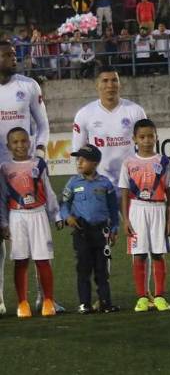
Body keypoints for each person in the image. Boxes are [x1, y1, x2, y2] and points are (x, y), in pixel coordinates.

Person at [0, 40, 51, 316]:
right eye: (7, 55)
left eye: (13, 54)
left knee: (37, 236)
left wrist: (41, 154)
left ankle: (45, 298)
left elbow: (43, 124)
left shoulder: (29, 85)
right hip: (0, 174)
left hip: (27, 170)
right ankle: (0, 298)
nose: (13, 58)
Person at [0, 128, 62, 318]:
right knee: (20, 260)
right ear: (9, 146)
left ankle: (48, 301)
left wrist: (56, 215)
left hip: (38, 214)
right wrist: (3, 223)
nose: (20, 145)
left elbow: (49, 191)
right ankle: (22, 303)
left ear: (30, 142)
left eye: (24, 141)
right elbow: (2, 198)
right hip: (17, 217)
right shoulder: (4, 168)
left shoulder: (39, 164)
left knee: (43, 259)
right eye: (15, 142)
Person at [119, 119, 170, 312]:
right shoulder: (128, 162)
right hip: (137, 210)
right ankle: (142, 297)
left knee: (158, 253)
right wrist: (126, 219)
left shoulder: (163, 161)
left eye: (150, 136)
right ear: (134, 139)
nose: (147, 140)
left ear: (156, 137)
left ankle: (159, 296)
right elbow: (125, 193)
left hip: (158, 209)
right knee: (139, 254)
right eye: (142, 137)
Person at [59, 144, 121, 314]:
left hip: (102, 232)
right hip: (81, 232)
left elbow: (113, 208)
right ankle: (84, 303)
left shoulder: (105, 184)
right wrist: (67, 217)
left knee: (102, 269)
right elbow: (64, 204)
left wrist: (115, 228)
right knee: (83, 268)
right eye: (77, 159)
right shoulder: (72, 183)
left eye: (83, 160)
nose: (78, 162)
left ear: (95, 163)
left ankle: (105, 302)